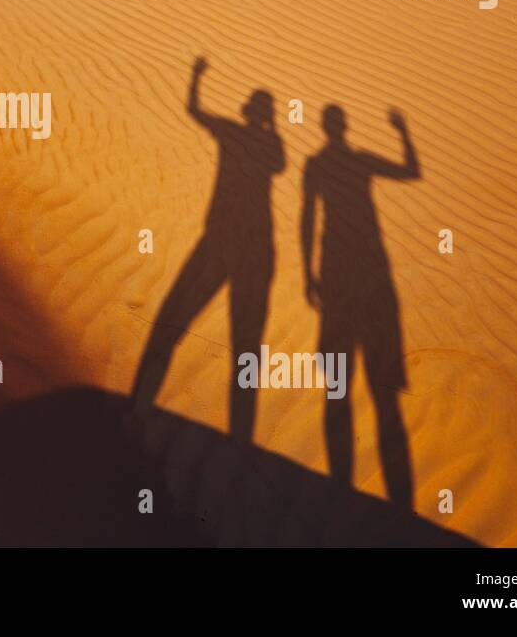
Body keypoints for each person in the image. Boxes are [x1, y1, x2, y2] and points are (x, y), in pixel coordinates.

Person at [131, 56, 285, 443]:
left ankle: (138, 409)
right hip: (251, 248)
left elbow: (194, 109)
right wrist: (273, 122)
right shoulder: (268, 142)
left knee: (177, 319)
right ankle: (241, 441)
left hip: (223, 241)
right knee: (244, 344)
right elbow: (279, 163)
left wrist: (196, 78)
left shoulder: (236, 134)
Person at [301, 105, 417, 509]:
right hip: (369, 274)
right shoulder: (360, 160)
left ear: (324, 128)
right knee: (382, 391)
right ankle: (400, 506)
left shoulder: (314, 165)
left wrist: (307, 273)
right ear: (345, 127)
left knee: (338, 386)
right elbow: (411, 170)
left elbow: (306, 219)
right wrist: (403, 132)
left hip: (338, 276)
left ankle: (341, 491)